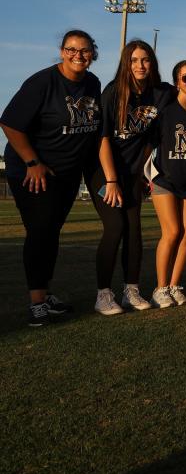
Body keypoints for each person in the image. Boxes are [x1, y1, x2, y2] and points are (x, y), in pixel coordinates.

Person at [1, 30, 102, 326]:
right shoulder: (42, 82)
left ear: (92, 54)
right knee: (41, 232)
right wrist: (32, 162)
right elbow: (10, 123)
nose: (78, 55)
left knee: (51, 233)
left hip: (66, 174)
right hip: (34, 172)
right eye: (72, 49)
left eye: (84, 50)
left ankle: (45, 295)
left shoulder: (92, 83)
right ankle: (37, 304)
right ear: (61, 51)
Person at [92, 40, 171, 315]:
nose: (140, 65)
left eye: (145, 59)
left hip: (132, 173)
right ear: (127, 63)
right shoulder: (114, 91)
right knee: (115, 228)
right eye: (135, 60)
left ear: (152, 63)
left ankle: (131, 291)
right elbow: (102, 138)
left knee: (134, 230)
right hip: (104, 171)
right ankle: (103, 294)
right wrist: (111, 180)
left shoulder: (160, 93)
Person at [149, 60, 186, 308]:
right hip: (165, 180)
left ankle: (174, 285)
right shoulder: (166, 111)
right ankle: (160, 288)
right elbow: (149, 144)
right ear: (177, 83)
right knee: (172, 232)